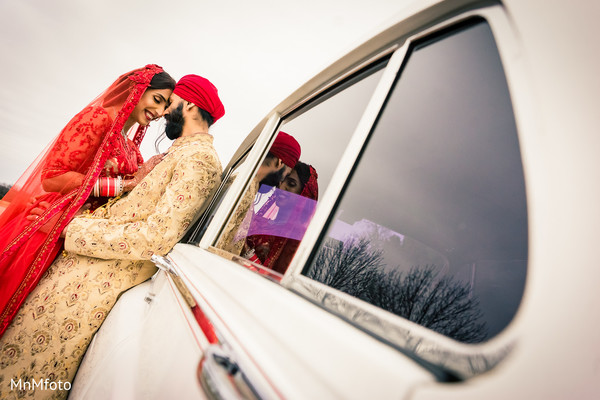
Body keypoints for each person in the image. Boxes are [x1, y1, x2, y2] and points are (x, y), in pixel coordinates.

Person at [0, 74, 225, 400]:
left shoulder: (199, 160)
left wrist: (68, 229)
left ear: (190, 104)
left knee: (30, 378)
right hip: (79, 274)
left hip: (91, 285)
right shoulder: (179, 154)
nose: (164, 113)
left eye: (171, 102)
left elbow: (156, 238)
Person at [0, 65, 175, 339]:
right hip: (46, 227)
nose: (161, 112)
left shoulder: (129, 146)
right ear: (138, 90)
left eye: (167, 107)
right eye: (158, 99)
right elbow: (52, 178)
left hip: (75, 235)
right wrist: (126, 183)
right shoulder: (97, 118)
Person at [216, 131, 301, 256]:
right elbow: (220, 246)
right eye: (286, 174)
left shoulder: (242, 180)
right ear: (279, 162)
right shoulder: (246, 190)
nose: (281, 182)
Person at [243, 161, 319, 274]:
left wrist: (246, 252)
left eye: (291, 184)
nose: (282, 186)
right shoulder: (262, 222)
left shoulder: (295, 238)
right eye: (282, 180)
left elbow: (274, 279)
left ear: (304, 194)